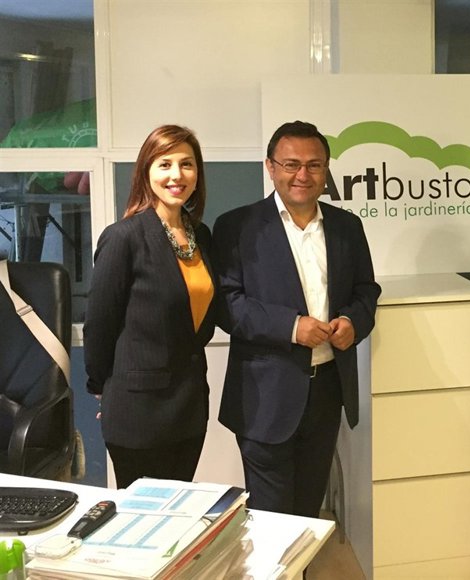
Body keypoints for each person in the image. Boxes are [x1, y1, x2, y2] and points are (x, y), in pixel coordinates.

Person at [211, 120, 380, 518]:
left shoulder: (347, 226)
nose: (303, 175)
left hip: (327, 393)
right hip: (264, 397)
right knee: (271, 518)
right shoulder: (236, 226)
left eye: (314, 165)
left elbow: (366, 291)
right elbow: (227, 305)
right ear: (271, 167)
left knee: (307, 512)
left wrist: (353, 322)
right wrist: (291, 327)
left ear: (326, 169)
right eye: (291, 164)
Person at [84, 125, 215, 488]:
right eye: (165, 164)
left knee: (180, 508)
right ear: (146, 172)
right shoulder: (123, 237)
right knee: (143, 514)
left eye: (186, 164)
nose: (177, 175)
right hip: (138, 410)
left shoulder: (201, 236)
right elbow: (99, 324)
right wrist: (104, 388)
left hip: (189, 406)